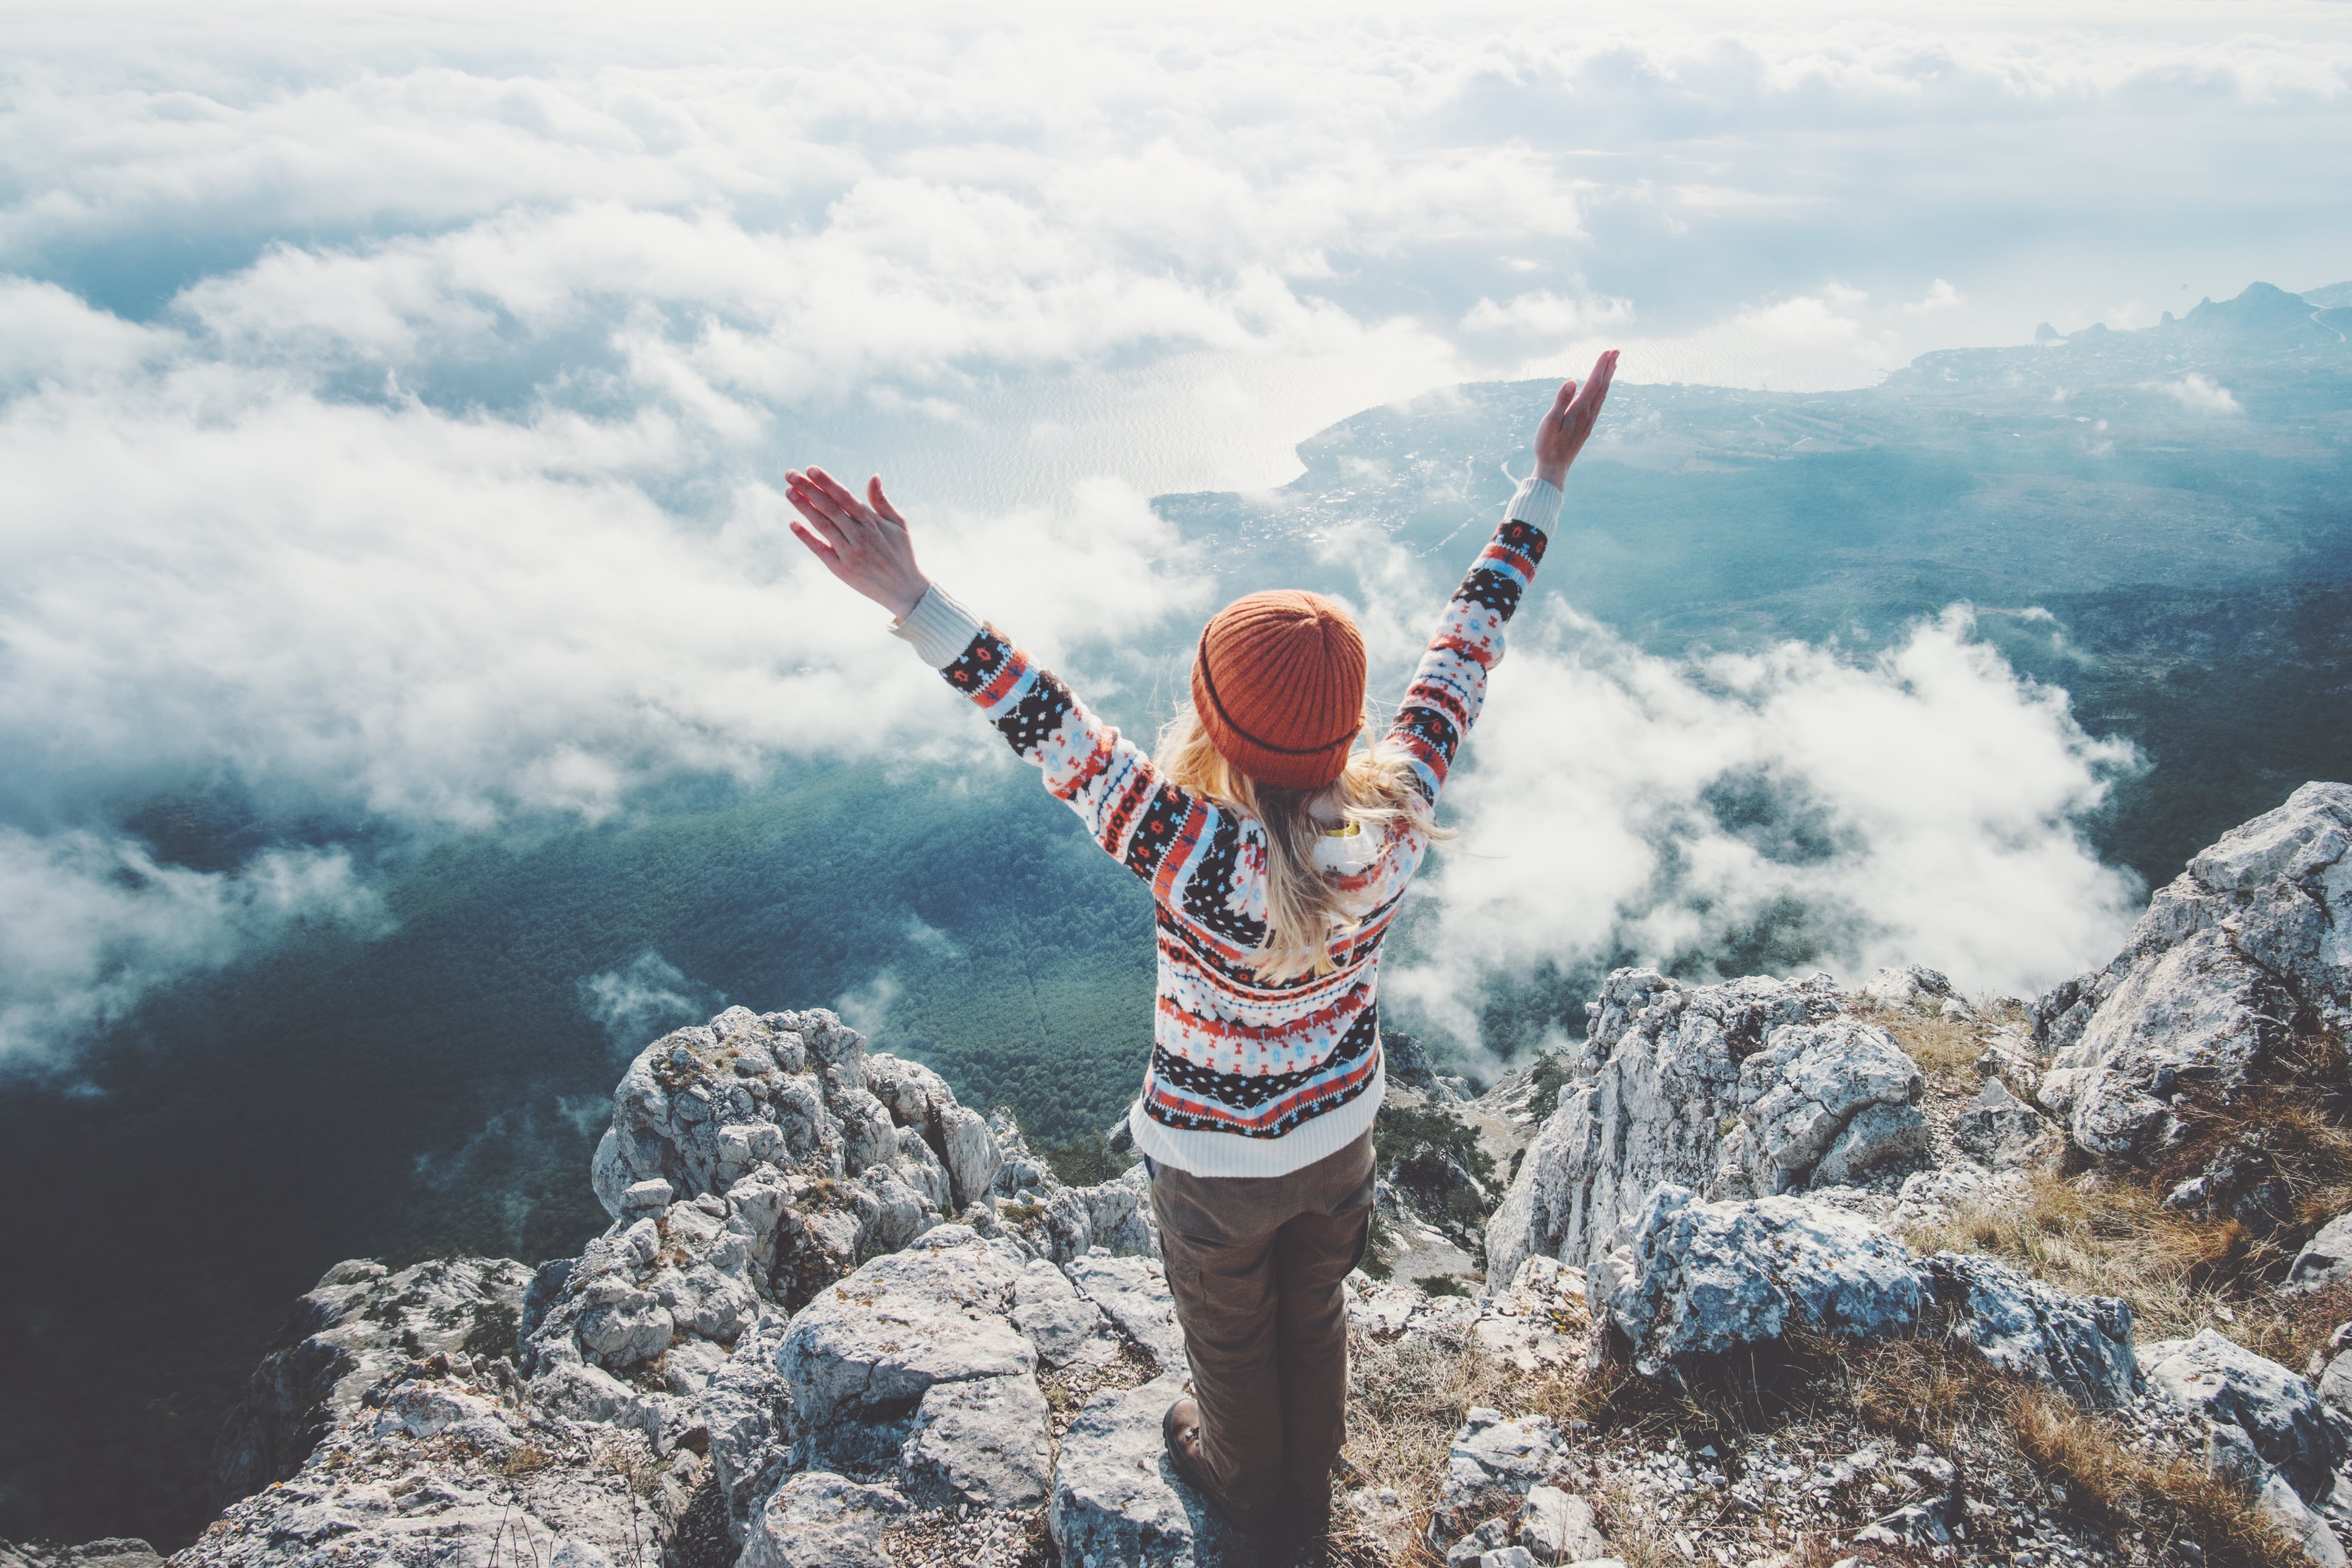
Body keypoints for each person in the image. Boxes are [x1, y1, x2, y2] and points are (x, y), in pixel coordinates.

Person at [783, 350, 1618, 1543]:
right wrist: (1541, 483)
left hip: (1213, 1166)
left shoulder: (1180, 845)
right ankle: (1312, 1464)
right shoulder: (1393, 816)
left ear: (1212, 726)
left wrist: (912, 594)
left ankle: (1244, 1481)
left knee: (1227, 1337)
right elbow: (1465, 647)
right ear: (1347, 722)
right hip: (1339, 1134)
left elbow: (1044, 720)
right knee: (1313, 1305)